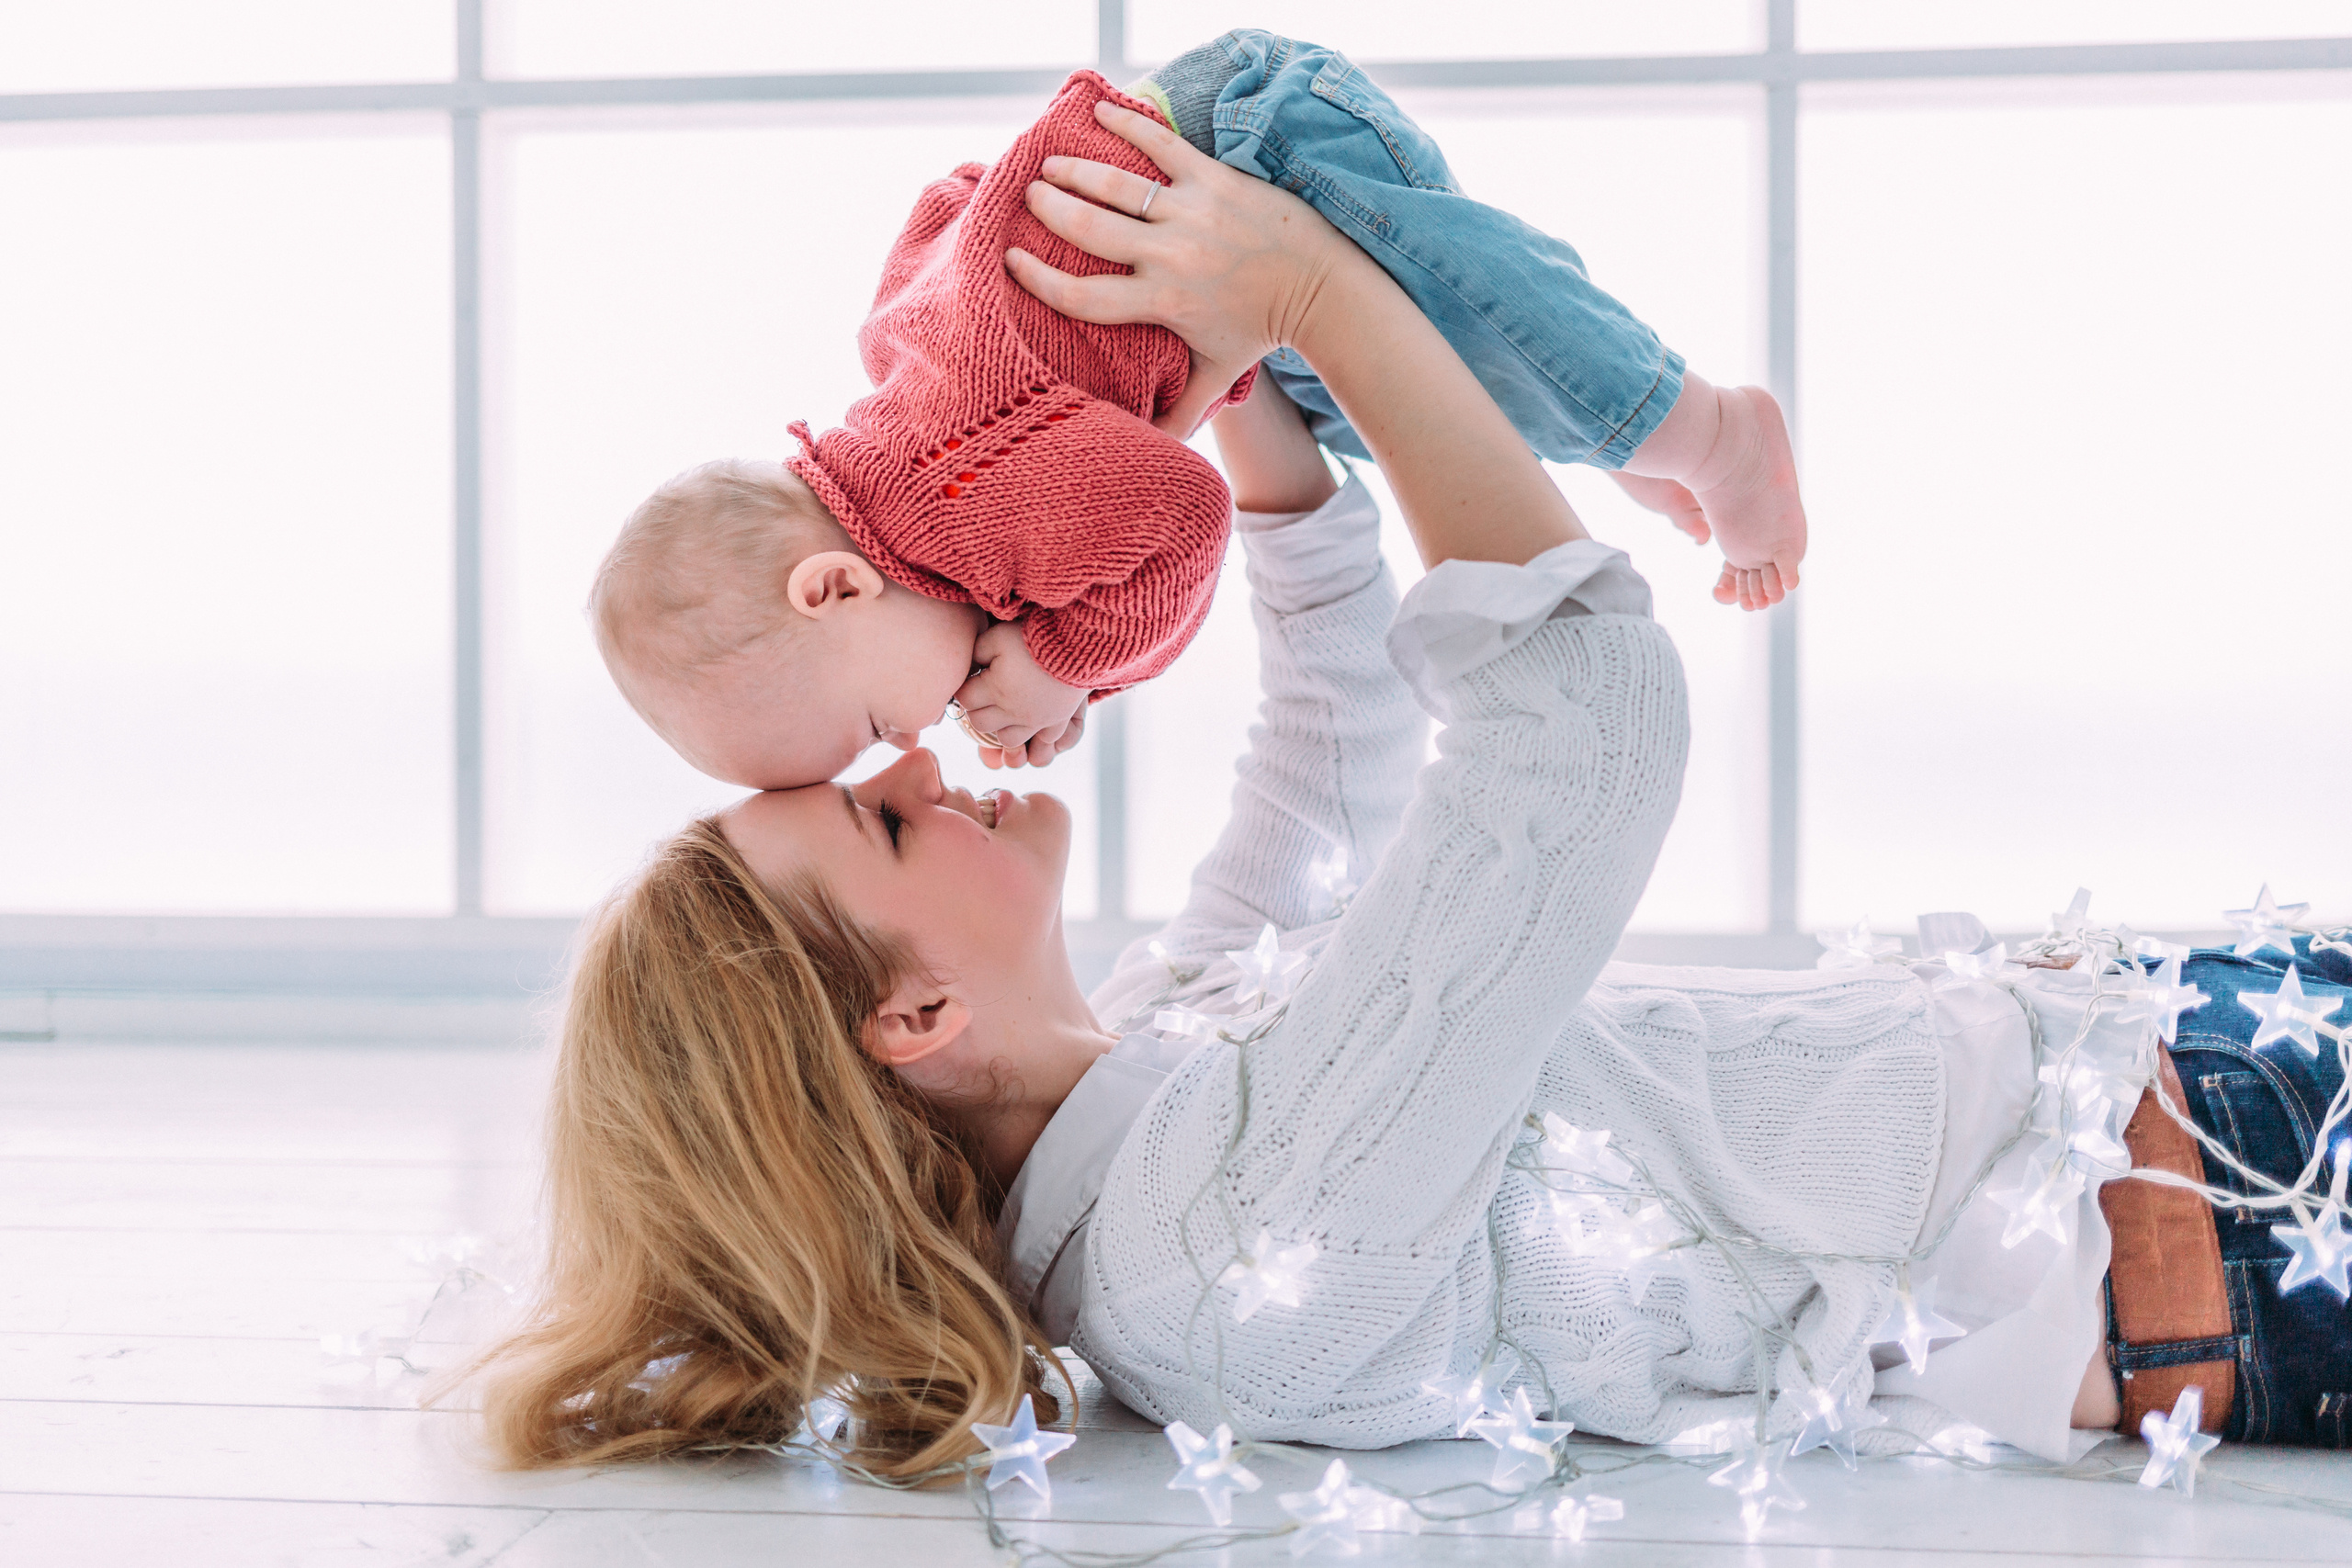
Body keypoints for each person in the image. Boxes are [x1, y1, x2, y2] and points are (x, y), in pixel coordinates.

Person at [469, 106, 2347, 1482]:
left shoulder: (1144, 1081)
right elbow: (1579, 736)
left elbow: (1330, 758)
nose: (915, 759)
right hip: (2240, 1196)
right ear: (916, 1014)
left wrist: (1224, 396)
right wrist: (1328, 297)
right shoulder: (1218, 1250)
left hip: (2170, 1063)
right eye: (878, 819)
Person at [588, 31, 1804, 790]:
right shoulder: (907, 431)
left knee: (1449, 346)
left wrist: (1067, 662)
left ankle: (1710, 433)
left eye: (868, 724)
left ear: (836, 587)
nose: (910, 742)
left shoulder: (962, 493)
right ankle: (1618, 437)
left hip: (1248, 146)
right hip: (1208, 131)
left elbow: (1180, 512)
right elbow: (945, 208)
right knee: (1377, 392)